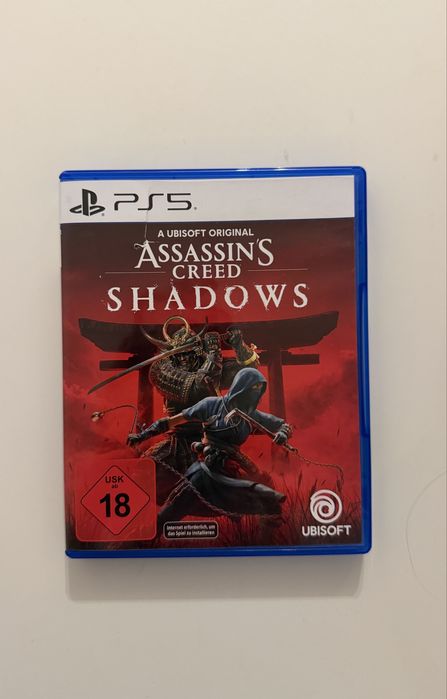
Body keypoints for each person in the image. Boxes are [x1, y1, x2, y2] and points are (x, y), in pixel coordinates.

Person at [128, 367, 292, 530]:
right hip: (207, 462)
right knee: (179, 501)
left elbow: (282, 425)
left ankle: (263, 535)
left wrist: (283, 433)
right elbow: (169, 422)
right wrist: (142, 435)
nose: (254, 393)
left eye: (258, 389)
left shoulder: (252, 415)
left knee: (265, 490)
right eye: (252, 388)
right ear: (241, 387)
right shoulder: (211, 405)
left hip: (232, 464)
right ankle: (145, 533)